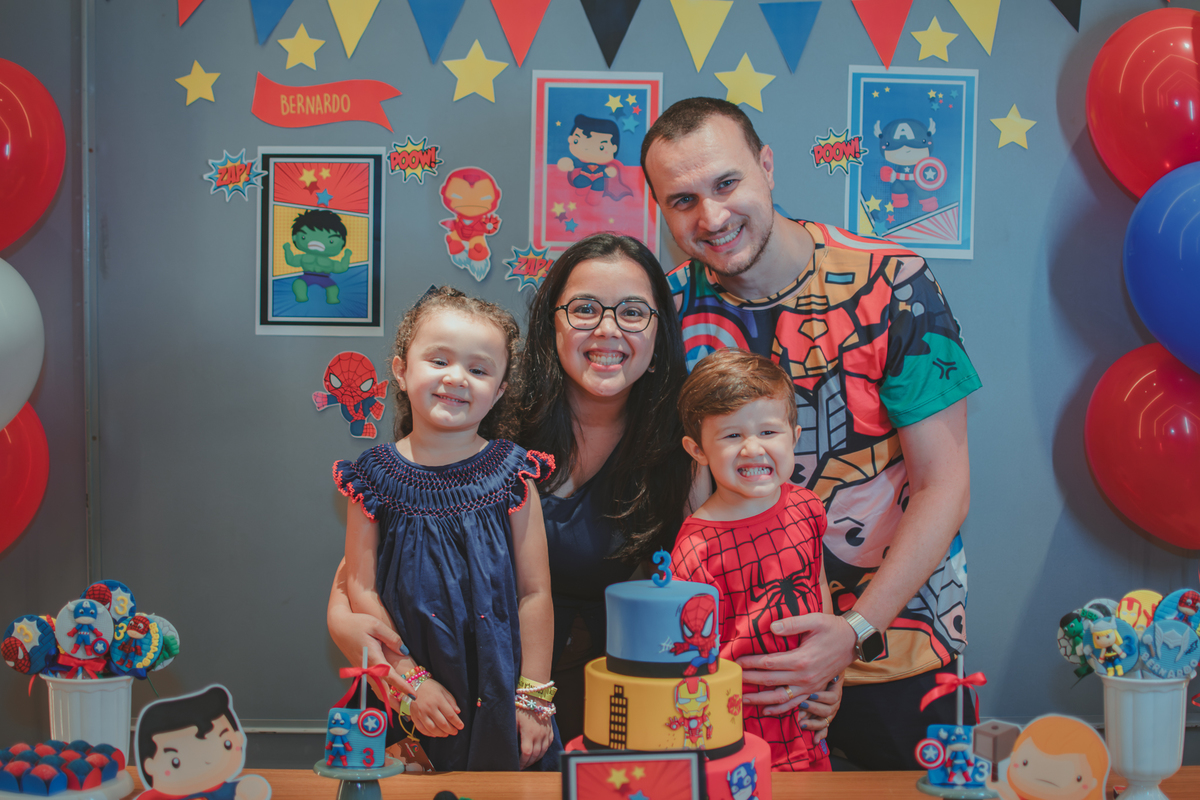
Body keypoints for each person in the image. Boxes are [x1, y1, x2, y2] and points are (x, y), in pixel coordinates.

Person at [641, 97, 982, 769]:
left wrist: (852, 631)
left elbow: (945, 483)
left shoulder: (892, 283)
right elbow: (683, 498)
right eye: (682, 200)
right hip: (745, 675)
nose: (710, 217)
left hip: (898, 644)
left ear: (766, 167)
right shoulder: (669, 313)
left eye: (727, 183)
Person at [326, 234, 697, 744]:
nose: (608, 329)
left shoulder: (683, 440)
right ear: (551, 323)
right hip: (438, 681)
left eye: (633, 312)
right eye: (585, 308)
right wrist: (346, 626)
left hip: (588, 690)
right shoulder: (482, 415)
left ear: (660, 334)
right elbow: (373, 565)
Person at [333, 286, 556, 771]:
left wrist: (534, 698)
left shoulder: (513, 473)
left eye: (478, 370)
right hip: (404, 690)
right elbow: (360, 588)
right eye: (439, 360)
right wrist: (408, 682)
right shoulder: (371, 476)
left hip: (497, 688)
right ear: (400, 370)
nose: (457, 378)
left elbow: (534, 592)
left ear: (497, 391)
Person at [670, 348, 835, 771]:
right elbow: (687, 662)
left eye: (768, 431)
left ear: (795, 436)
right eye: (731, 436)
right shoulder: (695, 550)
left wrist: (832, 673)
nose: (751, 449)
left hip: (808, 728)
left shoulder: (808, 506)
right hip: (734, 743)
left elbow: (817, 587)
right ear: (698, 449)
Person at [135, 685, 270, 800]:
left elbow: (251, 789)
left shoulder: (224, 791)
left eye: (226, 744)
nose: (208, 760)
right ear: (150, 765)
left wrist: (250, 790)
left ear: (238, 738)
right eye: (175, 762)